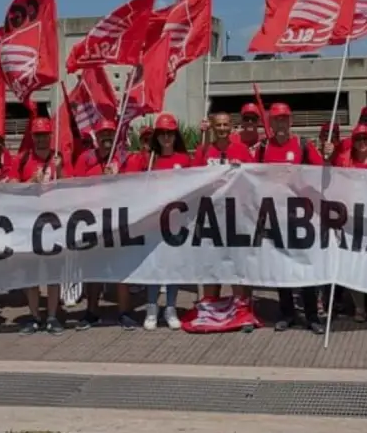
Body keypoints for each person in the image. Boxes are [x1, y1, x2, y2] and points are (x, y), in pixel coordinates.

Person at [258, 103, 325, 334]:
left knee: (305, 267)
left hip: (302, 217)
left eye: (284, 119)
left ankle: (312, 316)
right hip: (276, 216)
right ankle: (286, 313)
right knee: (281, 268)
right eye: (276, 119)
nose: (280, 124)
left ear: (291, 121)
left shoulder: (302, 145)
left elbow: (323, 173)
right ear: (270, 122)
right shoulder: (263, 148)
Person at [125, 113, 193, 330]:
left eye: (170, 133)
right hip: (154, 223)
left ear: (175, 135)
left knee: (173, 266)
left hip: (176, 223)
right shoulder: (148, 160)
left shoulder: (184, 160)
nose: (166, 137)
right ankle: (152, 307)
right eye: (162, 133)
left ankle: (171, 307)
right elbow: (129, 183)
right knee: (154, 266)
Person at [12, 118, 69, 334]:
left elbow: (72, 186)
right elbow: (10, 186)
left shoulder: (58, 158)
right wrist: (29, 184)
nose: (42, 139)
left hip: (54, 224)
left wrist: (60, 170)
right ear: (33, 137)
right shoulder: (23, 158)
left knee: (54, 273)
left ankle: (53, 316)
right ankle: (35, 316)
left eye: (45, 135)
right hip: (29, 225)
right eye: (38, 135)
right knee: (31, 274)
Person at [193, 111, 253, 302]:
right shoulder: (203, 150)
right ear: (212, 126)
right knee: (211, 264)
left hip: (235, 216)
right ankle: (210, 305)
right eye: (218, 125)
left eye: (225, 125)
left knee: (237, 264)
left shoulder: (242, 150)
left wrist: (241, 170)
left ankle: (241, 306)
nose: (222, 129)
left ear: (231, 127)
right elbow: (190, 178)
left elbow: (254, 179)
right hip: (210, 216)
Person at [71, 119, 125, 329]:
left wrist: (117, 178)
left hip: (118, 222)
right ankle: (91, 311)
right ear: (97, 136)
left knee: (122, 269)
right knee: (92, 269)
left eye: (110, 134)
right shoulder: (86, 159)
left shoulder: (124, 158)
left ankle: (124, 312)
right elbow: (75, 185)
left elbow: (137, 185)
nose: (106, 138)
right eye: (103, 134)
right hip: (92, 222)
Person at [338, 124, 367, 323]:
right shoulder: (345, 162)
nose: (363, 143)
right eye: (359, 139)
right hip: (351, 221)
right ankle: (359, 307)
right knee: (354, 266)